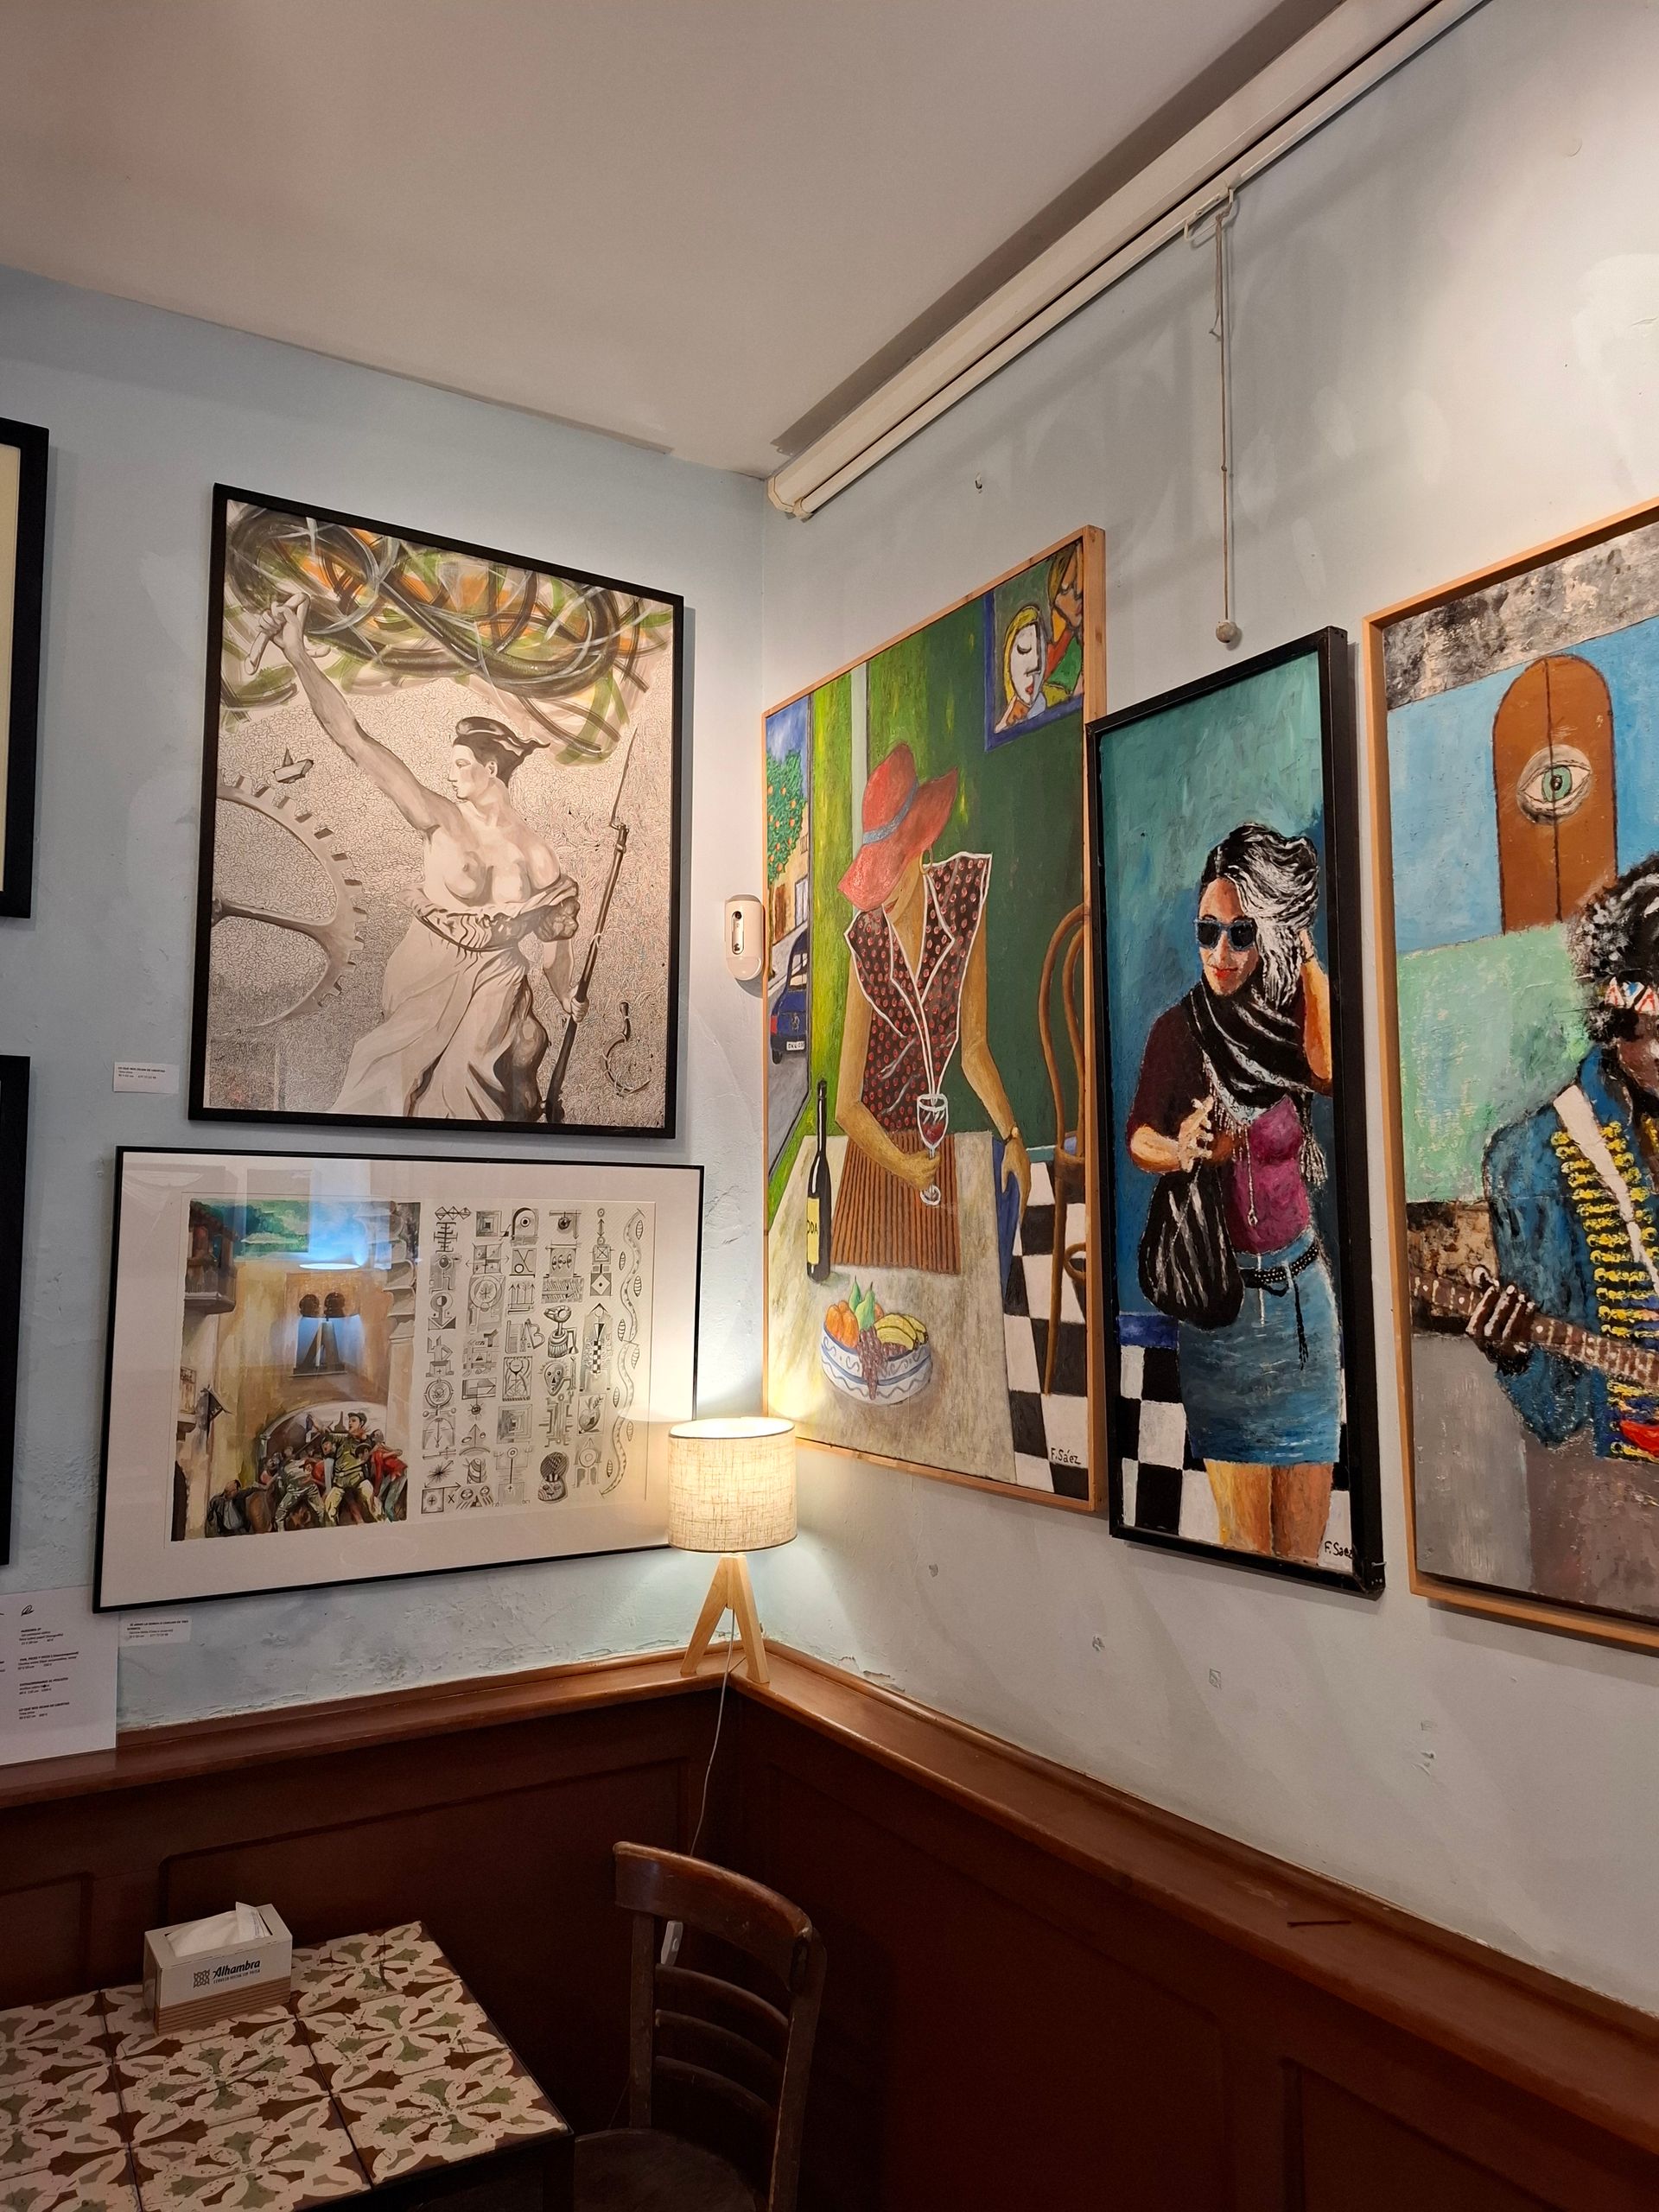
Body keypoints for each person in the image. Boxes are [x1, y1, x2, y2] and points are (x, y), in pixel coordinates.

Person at [258, 593, 585, 1121]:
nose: (451, 774)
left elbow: (554, 946)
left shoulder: (536, 852)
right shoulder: (439, 818)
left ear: (491, 770)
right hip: (428, 973)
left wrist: (565, 994)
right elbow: (354, 740)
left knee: (470, 1109)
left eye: (460, 764)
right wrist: (298, 655)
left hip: (497, 985)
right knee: (383, 1088)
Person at [1128, 823, 1337, 1561]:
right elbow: (1139, 1139)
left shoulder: (1288, 1021)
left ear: (1268, 935)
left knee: (1306, 1554)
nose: (1220, 952)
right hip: (1224, 1309)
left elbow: (1330, 1069)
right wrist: (1181, 1150)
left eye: (1241, 933)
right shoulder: (1178, 1031)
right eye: (1208, 931)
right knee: (1247, 1550)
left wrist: (1303, 953)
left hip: (1304, 1307)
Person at [1467, 854, 1659, 1460]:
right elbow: (1559, 1412)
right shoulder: (1531, 1158)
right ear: (1619, 1017)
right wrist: (1516, 1355)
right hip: (1626, 1480)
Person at [833, 743, 1029, 1280]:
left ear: (921, 848)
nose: (880, 898)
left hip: (936, 1142)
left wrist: (1013, 1136)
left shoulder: (963, 898)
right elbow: (846, 1106)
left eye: (892, 871)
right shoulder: (865, 942)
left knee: (968, 1272)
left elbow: (974, 1048)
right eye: (874, 879)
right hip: (879, 1148)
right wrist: (900, 1165)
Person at [992, 607, 1046, 734]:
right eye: (1024, 649)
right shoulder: (1005, 723)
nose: (1034, 668)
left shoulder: (1053, 698)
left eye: (1041, 652)